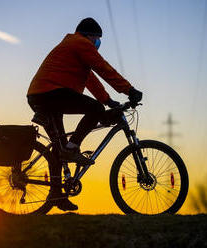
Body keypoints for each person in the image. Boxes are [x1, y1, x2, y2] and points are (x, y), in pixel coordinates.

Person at [27, 18, 142, 211]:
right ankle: (72, 148)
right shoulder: (80, 43)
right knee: (95, 110)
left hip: (46, 95)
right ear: (89, 35)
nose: (98, 44)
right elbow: (103, 68)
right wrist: (129, 90)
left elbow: (91, 79)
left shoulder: (73, 47)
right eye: (97, 39)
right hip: (48, 95)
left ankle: (56, 196)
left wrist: (107, 100)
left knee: (59, 149)